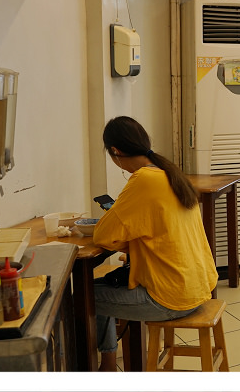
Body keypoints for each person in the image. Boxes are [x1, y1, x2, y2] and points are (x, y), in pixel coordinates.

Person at [92, 116, 218, 371]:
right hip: (199, 285)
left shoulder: (142, 180)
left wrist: (128, 241)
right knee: (104, 287)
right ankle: (107, 362)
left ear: (115, 152)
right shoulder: (170, 174)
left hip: (171, 298)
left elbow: (102, 236)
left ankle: (102, 366)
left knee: (84, 297)